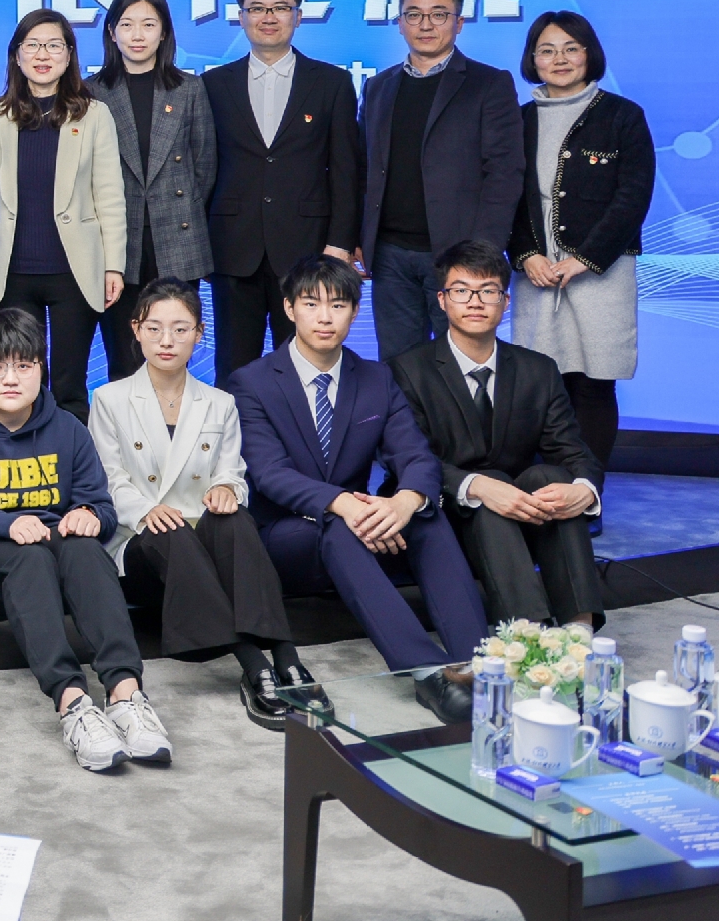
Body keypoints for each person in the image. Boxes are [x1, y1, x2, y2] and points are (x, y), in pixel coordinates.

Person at [229, 254, 488, 721]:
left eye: (338, 305)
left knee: (425, 514)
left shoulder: (376, 377)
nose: (325, 317)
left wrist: (405, 501)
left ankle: (477, 665)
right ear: (289, 308)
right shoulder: (252, 382)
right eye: (311, 304)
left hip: (359, 527)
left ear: (354, 311)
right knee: (340, 525)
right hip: (288, 535)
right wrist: (343, 504)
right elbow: (269, 473)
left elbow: (415, 456)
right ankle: (427, 672)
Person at [0, 308, 171, 773]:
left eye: (24, 365)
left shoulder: (68, 429)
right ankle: (73, 703)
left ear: (41, 368)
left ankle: (126, 695)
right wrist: (3, 524)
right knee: (28, 558)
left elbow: (103, 507)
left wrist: (90, 516)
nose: (11, 378)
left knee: (85, 549)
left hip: (51, 552)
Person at [87, 279, 305, 731]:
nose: (166, 340)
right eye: (155, 328)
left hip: (205, 542)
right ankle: (255, 665)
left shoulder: (220, 403)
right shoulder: (109, 399)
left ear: (199, 334)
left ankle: (287, 656)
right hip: (142, 548)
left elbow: (232, 471)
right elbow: (109, 481)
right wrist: (147, 510)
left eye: (180, 329)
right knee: (173, 532)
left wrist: (226, 488)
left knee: (235, 519)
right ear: (136, 330)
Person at [392, 242, 604, 629]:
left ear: (505, 302)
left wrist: (584, 490)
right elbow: (407, 458)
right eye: (461, 290)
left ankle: (579, 631)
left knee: (552, 479)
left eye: (488, 291)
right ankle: (527, 634)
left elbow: (573, 451)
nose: (475, 302)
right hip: (444, 511)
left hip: (521, 511)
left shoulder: (538, 369)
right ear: (442, 300)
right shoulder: (405, 370)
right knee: (489, 487)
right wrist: (478, 486)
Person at [507, 10, 653, 474]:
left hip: (602, 273)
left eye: (571, 48)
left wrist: (584, 259)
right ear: (532, 59)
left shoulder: (623, 115)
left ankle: (587, 493)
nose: (560, 59)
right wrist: (526, 254)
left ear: (590, 55)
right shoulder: (518, 120)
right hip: (538, 273)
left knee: (594, 383)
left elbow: (633, 196)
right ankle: (547, 489)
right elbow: (506, 195)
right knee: (543, 384)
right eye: (547, 50)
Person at [202, 0, 363, 378]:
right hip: (233, 247)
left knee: (303, 366)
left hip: (307, 248)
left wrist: (340, 243)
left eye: (280, 7)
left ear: (298, 16)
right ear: (241, 17)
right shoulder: (213, 84)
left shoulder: (331, 83)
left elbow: (346, 169)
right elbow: (202, 167)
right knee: (233, 367)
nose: (268, 17)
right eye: (257, 8)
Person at [359, 0, 524, 361]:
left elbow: (504, 172)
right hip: (390, 255)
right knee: (398, 367)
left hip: (459, 254)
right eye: (414, 15)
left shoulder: (488, 84)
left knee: (462, 364)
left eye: (438, 14)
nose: (425, 24)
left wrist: (483, 252)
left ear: (459, 22)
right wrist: (359, 237)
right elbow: (364, 167)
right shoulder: (379, 86)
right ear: (400, 23)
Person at [0, 10, 126, 421]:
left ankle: (72, 462)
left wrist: (113, 266)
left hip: (74, 271)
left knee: (69, 384)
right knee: (18, 385)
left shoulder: (93, 115)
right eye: (32, 45)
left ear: (69, 55)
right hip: (12, 272)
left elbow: (109, 196)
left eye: (53, 45)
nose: (42, 55)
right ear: (16, 55)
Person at [87, 0, 216, 381]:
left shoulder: (189, 88)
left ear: (164, 32)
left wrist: (180, 209)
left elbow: (204, 167)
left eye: (148, 24)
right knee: (123, 357)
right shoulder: (91, 92)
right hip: (114, 243)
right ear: (112, 33)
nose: (137, 35)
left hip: (177, 237)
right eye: (127, 25)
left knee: (173, 354)